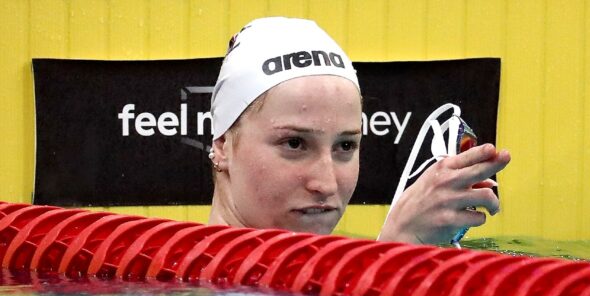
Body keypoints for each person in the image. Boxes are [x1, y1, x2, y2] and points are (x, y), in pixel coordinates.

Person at [208, 17, 510, 245]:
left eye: (345, 146)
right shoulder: (167, 284)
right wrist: (398, 250)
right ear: (222, 144)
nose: (326, 184)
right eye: (295, 143)